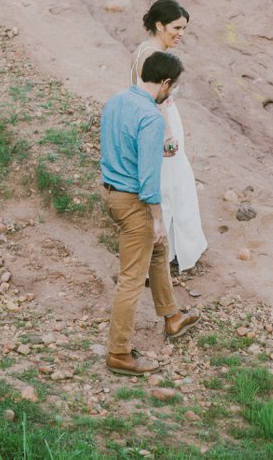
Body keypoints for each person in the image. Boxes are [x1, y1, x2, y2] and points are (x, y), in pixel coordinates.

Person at [101, 51, 201, 376]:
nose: (171, 93)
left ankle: (172, 317)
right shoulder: (151, 117)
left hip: (112, 193)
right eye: (173, 87)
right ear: (166, 82)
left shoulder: (116, 101)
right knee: (131, 279)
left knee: (159, 253)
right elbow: (148, 178)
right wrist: (157, 219)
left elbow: (122, 146)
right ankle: (118, 353)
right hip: (135, 203)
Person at [131, 0, 208, 273]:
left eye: (184, 28)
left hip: (159, 120)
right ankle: (171, 252)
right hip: (159, 125)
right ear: (159, 25)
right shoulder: (153, 56)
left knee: (171, 182)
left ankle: (170, 249)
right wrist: (166, 135)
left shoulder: (145, 49)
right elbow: (157, 99)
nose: (181, 34)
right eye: (176, 27)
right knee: (171, 184)